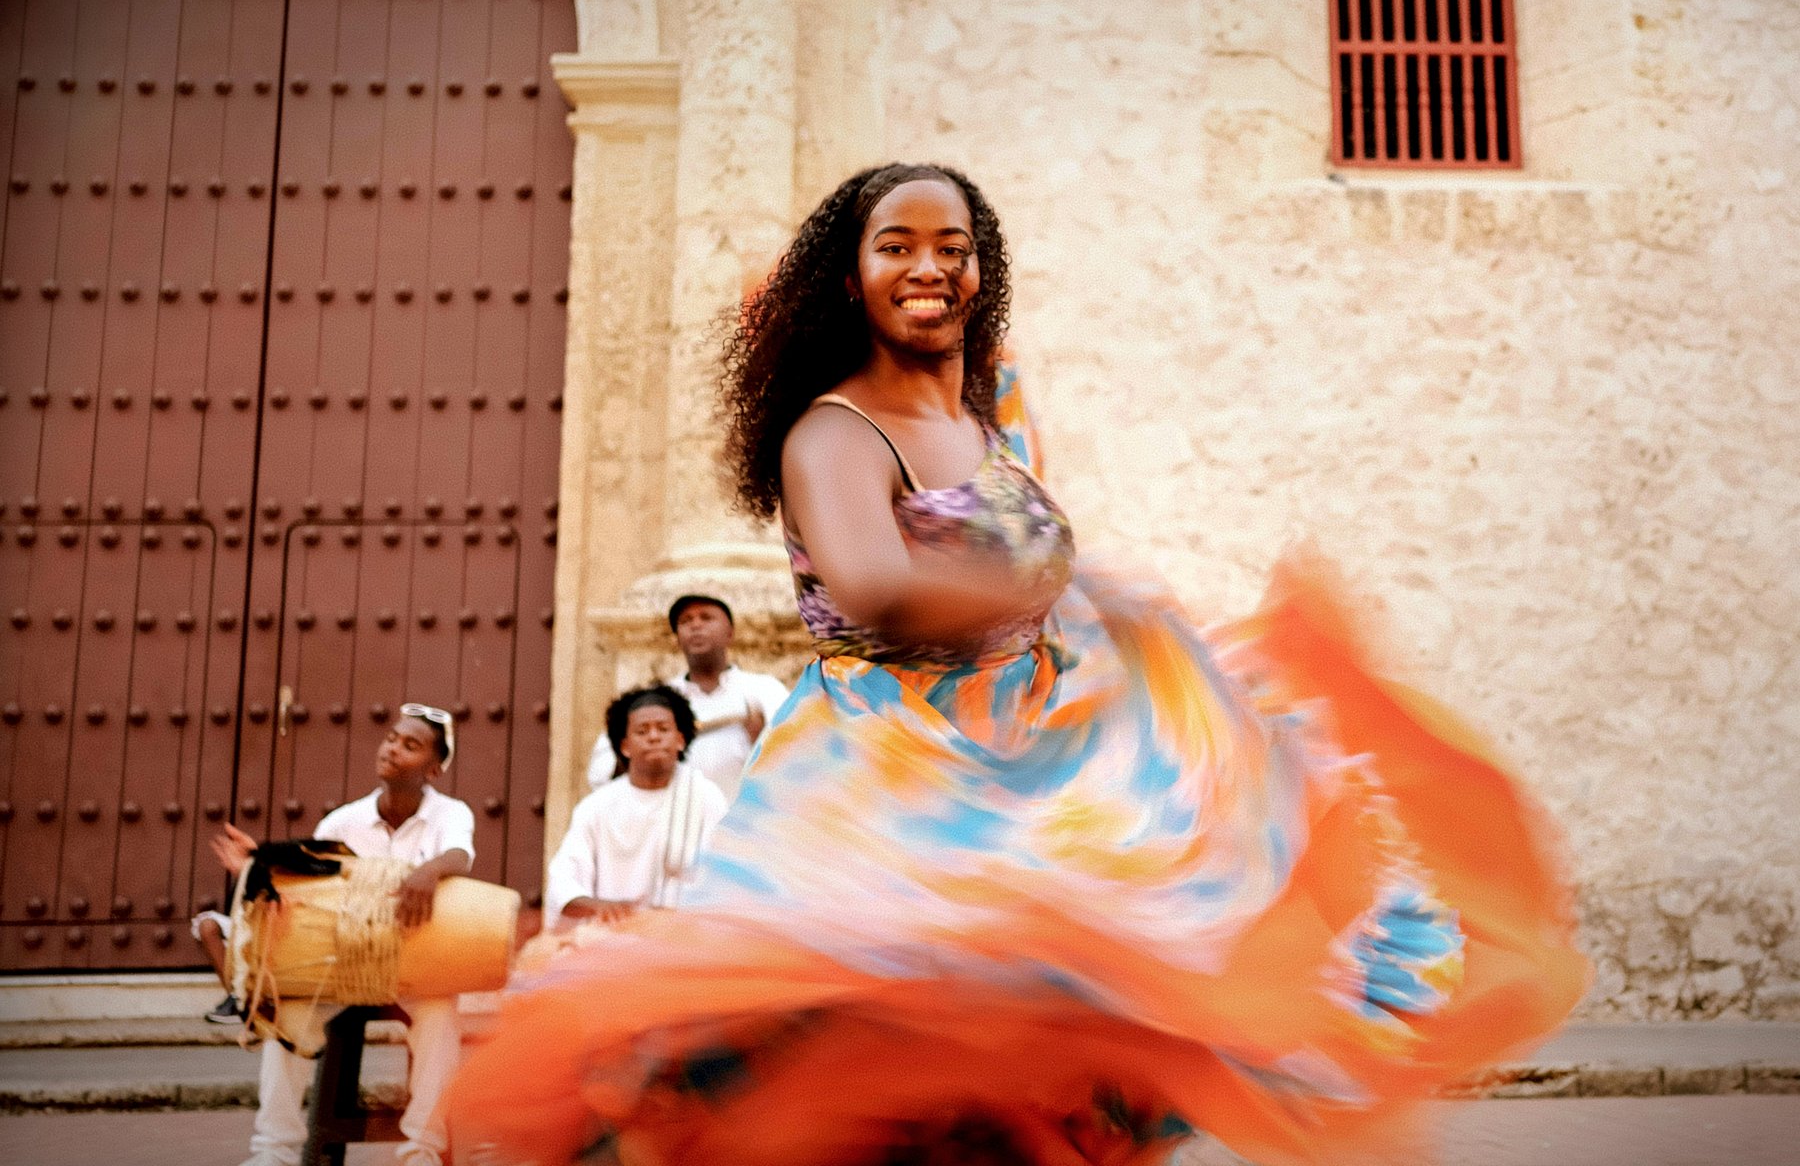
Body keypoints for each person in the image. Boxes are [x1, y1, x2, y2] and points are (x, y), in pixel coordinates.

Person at [448, 164, 1588, 1165]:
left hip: (1030, 751)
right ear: (845, 281)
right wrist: (1060, 590)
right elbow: (877, 590)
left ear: (982, 274)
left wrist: (1112, 625)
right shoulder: (833, 433)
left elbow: (1031, 555)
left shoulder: (988, 422)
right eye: (894, 245)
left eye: (954, 247)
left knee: (1061, 1057)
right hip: (890, 771)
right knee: (870, 1049)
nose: (928, 266)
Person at [214, 703, 475, 1166]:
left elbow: (460, 855)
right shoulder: (342, 822)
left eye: (410, 746)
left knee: (441, 1018)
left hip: (413, 967)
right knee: (286, 1019)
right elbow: (312, 890)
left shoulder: (451, 813)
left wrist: (428, 872)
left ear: (433, 769)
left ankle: (423, 1151)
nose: (393, 749)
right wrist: (259, 869)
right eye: (392, 738)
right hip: (342, 969)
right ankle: (273, 1152)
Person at [550, 686, 730, 927]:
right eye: (642, 731)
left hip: (687, 943)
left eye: (663, 729)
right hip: (613, 942)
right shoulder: (596, 807)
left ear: (680, 739)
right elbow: (563, 884)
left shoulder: (706, 797)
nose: (654, 737)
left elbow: (729, 879)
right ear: (624, 746)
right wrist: (602, 907)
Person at [585, 594, 791, 801]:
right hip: (676, 827)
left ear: (730, 633)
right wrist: (639, 754)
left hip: (749, 822)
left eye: (706, 618)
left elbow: (803, 760)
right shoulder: (655, 701)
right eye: (685, 621)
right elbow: (601, 775)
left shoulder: (765, 690)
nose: (695, 626)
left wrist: (763, 740)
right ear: (677, 638)